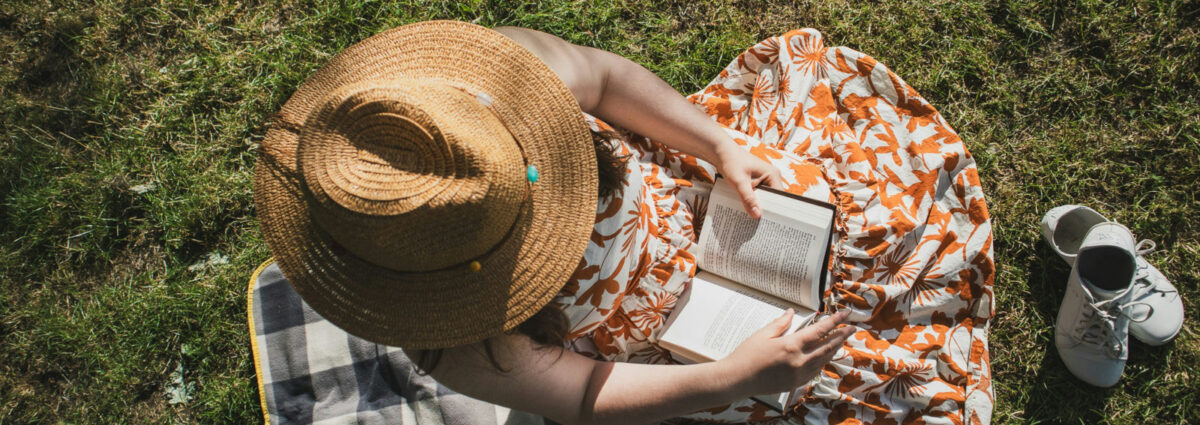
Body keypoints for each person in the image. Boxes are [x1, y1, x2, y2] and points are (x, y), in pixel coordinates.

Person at [256, 20, 994, 425]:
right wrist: (730, 379)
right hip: (654, 355)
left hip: (693, 197)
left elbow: (605, 81)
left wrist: (719, 145)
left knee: (884, 226)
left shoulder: (493, 84)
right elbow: (580, 395)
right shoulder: (454, 340)